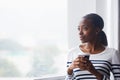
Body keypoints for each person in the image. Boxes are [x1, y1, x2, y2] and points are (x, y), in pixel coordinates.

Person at [65, 13, 120, 80]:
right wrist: (70, 69)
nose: (80, 32)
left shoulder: (112, 53)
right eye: (79, 29)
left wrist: (94, 71)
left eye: (85, 28)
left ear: (97, 30)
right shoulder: (72, 53)